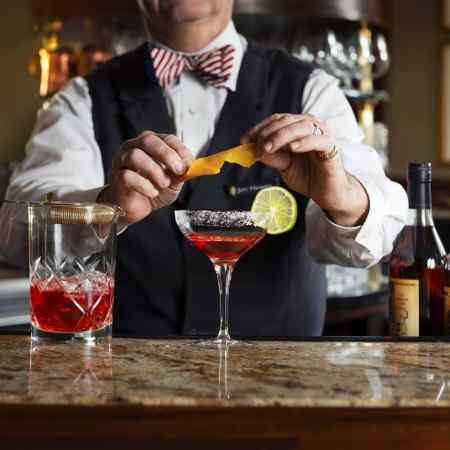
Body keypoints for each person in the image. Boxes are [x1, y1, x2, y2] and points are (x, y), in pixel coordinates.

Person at [0, 0, 407, 337]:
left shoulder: (311, 89)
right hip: (125, 391)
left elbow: (375, 239)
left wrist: (341, 195)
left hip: (278, 393)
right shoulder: (82, 100)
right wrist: (105, 205)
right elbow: (16, 232)